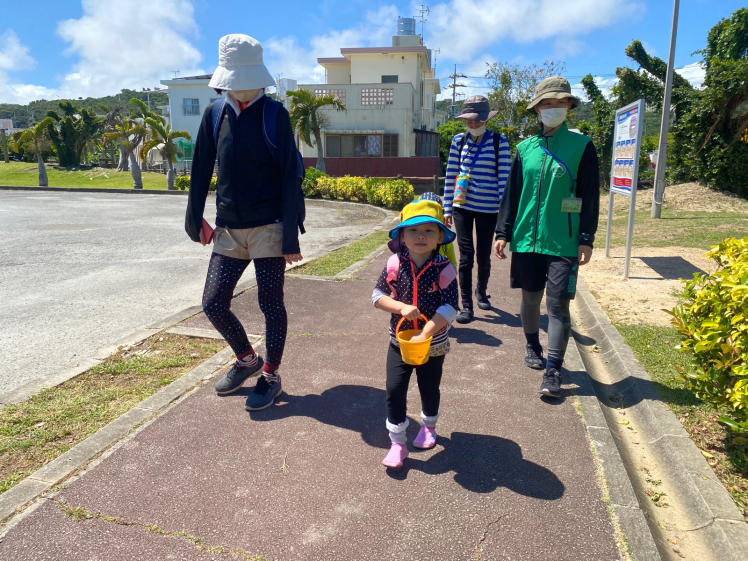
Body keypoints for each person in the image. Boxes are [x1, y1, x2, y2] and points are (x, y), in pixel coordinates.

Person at [185, 34, 304, 411]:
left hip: (269, 226)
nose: (235, 89)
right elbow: (201, 166)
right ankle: (247, 360)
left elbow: (290, 176)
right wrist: (194, 219)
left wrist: (290, 233)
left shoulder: (274, 114)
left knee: (271, 303)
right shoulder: (215, 113)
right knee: (213, 303)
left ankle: (270, 375)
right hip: (228, 228)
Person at [493, 76, 600, 398]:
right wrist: (503, 231)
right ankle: (531, 347)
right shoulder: (525, 149)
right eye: (546, 104)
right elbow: (512, 194)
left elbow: (589, 194)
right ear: (537, 109)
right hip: (526, 239)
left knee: (557, 306)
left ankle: (553, 370)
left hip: (563, 242)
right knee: (529, 298)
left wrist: (586, 237)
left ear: (569, 107)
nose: (552, 108)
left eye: (559, 103)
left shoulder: (582, 147)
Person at [372, 200, 458, 468]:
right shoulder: (395, 264)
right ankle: (397, 442)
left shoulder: (444, 268)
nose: (420, 236)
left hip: (433, 344)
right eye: (413, 230)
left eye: (429, 231)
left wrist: (427, 333)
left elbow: (450, 306)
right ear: (402, 236)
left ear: (440, 237)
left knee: (429, 386)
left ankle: (429, 425)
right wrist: (400, 306)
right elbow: (377, 296)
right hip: (398, 341)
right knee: (394, 388)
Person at [443, 96, 511, 323]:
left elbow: (504, 180)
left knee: (483, 254)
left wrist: (504, 215)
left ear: (485, 120)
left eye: (475, 121)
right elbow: (452, 174)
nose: (471, 125)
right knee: (466, 256)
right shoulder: (458, 141)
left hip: (489, 209)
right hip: (462, 206)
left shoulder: (498, 142)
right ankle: (467, 307)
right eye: (468, 121)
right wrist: (447, 208)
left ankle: (481, 291)